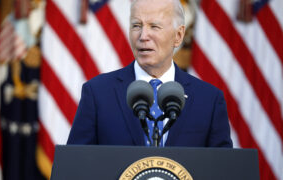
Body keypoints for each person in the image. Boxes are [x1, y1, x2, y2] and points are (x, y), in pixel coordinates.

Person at [67, 0, 232, 147]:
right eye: (136, 25)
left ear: (179, 35)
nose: (143, 36)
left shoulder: (209, 100)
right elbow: (75, 165)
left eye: (154, 26)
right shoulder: (97, 93)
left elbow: (222, 169)